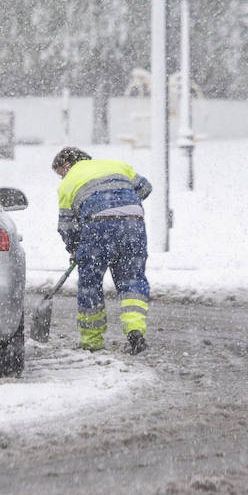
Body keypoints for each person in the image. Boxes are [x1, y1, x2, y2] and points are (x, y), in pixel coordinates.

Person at [52, 146, 153, 354]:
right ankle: (135, 329)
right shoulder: (117, 165)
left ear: (67, 165)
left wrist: (74, 248)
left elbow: (66, 227)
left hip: (97, 228)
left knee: (90, 284)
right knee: (132, 279)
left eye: (61, 173)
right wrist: (122, 202)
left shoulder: (67, 184)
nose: (62, 178)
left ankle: (92, 340)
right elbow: (145, 188)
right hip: (133, 224)